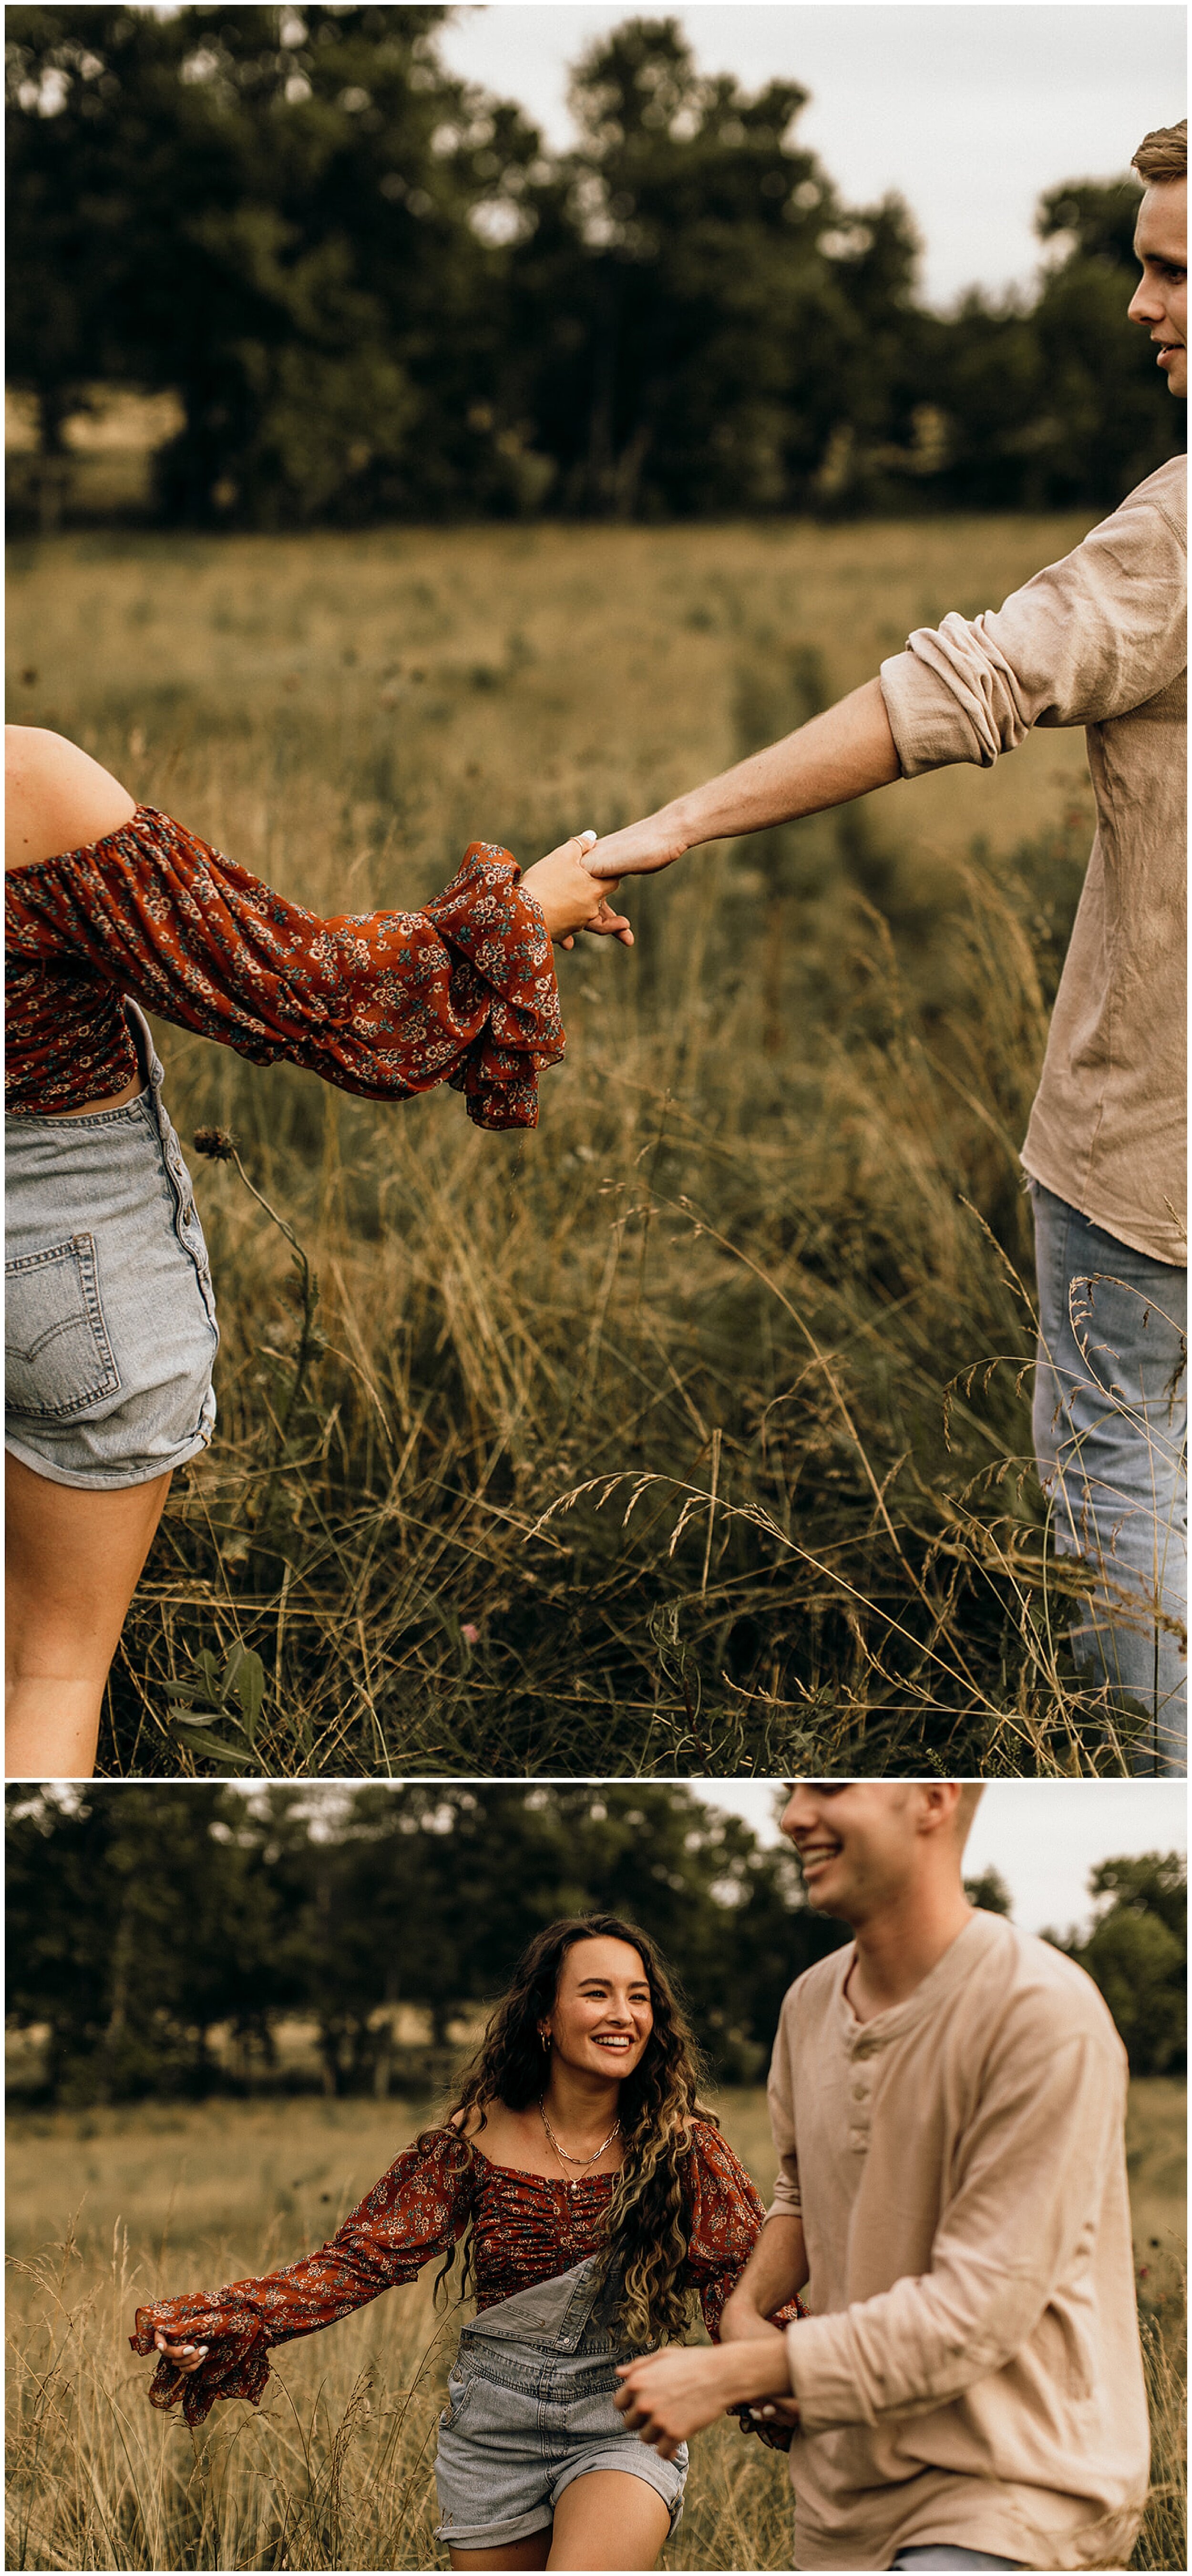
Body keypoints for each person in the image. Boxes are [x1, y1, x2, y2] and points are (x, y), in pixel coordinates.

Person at [587, 121, 1188, 1773]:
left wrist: (679, 824)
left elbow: (955, 691)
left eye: (1175, 269)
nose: (1141, 303)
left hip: (1151, 1171)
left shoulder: (1182, 532)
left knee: (1127, 1487)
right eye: (1145, 260)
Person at [4, 725, 631, 1775]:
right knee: (52, 1669)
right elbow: (311, 995)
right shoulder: (26, 785)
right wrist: (522, 915)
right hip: (59, 1269)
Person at [130, 1914, 795, 2574]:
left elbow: (740, 2278)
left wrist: (786, 2371)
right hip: (494, 2426)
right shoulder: (475, 2137)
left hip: (619, 2414)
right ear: (544, 2015)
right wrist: (233, 2321)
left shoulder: (684, 2145)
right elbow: (363, 2258)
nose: (622, 2014)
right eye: (597, 1993)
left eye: (639, 1996)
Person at [615, 1780, 1150, 2574]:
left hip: (1015, 2491)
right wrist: (746, 2314)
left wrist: (742, 2369)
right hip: (844, 2499)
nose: (794, 1816)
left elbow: (975, 2311)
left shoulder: (1042, 2014)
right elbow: (802, 2195)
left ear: (933, 1799)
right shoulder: (807, 2006)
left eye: (829, 1789)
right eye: (793, 1791)